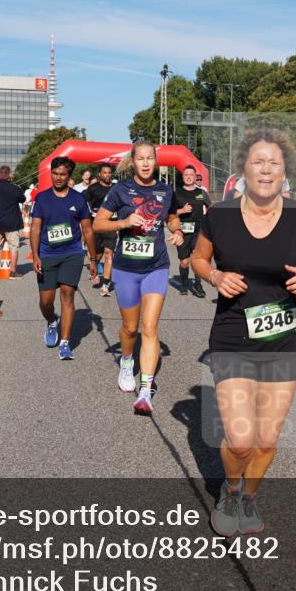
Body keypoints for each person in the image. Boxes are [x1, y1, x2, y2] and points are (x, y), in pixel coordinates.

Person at [191, 129, 296, 536]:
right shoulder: (218, 215)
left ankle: (248, 498)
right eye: (259, 162)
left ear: (284, 170)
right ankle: (230, 488)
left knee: (267, 440)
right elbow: (198, 260)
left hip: (285, 339)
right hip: (233, 334)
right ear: (243, 170)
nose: (266, 169)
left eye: (274, 162)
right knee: (239, 440)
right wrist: (216, 275)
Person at [93, 140, 184, 414]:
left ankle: (145, 389)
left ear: (156, 162)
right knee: (130, 329)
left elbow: (172, 218)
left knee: (149, 328)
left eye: (150, 159)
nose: (146, 163)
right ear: (133, 162)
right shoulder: (120, 190)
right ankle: (127, 359)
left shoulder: (166, 190)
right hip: (126, 267)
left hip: (156, 266)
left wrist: (177, 230)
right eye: (141, 159)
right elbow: (98, 224)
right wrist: (124, 223)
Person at [31, 157, 96, 360]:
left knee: (68, 295)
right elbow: (35, 228)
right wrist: (35, 255)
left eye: (63, 174)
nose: (58, 178)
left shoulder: (78, 199)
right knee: (46, 302)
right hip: (47, 254)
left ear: (69, 176)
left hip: (72, 253)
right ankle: (52, 321)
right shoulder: (42, 198)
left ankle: (66, 343)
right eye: (55, 173)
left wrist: (93, 259)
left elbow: (87, 230)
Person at [173, 165, 211, 297]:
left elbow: (210, 207)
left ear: (195, 177)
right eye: (186, 174)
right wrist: (182, 211)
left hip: (198, 231)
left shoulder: (201, 193)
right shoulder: (177, 193)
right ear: (182, 177)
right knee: (184, 262)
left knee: (196, 257)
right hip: (182, 231)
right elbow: (171, 214)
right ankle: (184, 284)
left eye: (191, 175)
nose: (188, 177)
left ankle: (198, 284)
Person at [84, 163, 117, 296]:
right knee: (97, 255)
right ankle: (94, 269)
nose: (107, 175)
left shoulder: (116, 188)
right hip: (96, 226)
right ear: (99, 174)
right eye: (105, 172)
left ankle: (106, 284)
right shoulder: (93, 188)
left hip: (111, 225)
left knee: (109, 253)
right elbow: (83, 203)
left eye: (109, 173)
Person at [0, 165, 25, 280]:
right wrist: (14, 185)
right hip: (12, 223)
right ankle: (13, 272)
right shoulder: (15, 188)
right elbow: (22, 199)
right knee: (13, 247)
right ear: (9, 175)